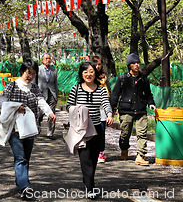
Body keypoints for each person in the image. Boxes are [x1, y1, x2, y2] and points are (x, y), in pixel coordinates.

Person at [0, 59, 56, 199]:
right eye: (27, 72)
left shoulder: (35, 87)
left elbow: (41, 101)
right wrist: (16, 106)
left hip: (30, 128)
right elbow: (2, 101)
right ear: (22, 71)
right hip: (14, 129)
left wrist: (49, 112)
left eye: (33, 73)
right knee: (20, 157)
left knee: (25, 158)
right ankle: (25, 187)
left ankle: (21, 182)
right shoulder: (12, 86)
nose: (29, 76)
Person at [66, 61, 113, 199]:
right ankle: (90, 187)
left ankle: (88, 181)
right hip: (81, 130)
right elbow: (69, 105)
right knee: (85, 159)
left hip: (97, 129)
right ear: (81, 73)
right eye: (85, 71)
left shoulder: (101, 89)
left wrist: (109, 114)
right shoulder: (76, 89)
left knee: (93, 159)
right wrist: (79, 111)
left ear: (95, 73)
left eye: (91, 71)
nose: (88, 74)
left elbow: (105, 103)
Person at [110, 53, 156, 166]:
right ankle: (124, 149)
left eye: (138, 63)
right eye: (134, 63)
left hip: (140, 110)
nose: (137, 65)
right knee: (125, 133)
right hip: (126, 110)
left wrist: (151, 103)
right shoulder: (122, 78)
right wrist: (112, 109)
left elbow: (148, 94)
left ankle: (141, 156)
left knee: (142, 133)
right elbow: (115, 95)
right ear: (129, 65)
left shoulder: (143, 78)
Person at [91, 55, 110, 163]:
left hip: (102, 108)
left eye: (99, 64)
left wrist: (111, 110)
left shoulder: (104, 77)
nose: (97, 66)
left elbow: (109, 92)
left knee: (101, 130)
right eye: (95, 64)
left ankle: (100, 152)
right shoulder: (89, 76)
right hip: (91, 107)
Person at [37, 53, 59, 140]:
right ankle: (37, 129)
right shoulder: (38, 70)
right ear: (42, 60)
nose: (48, 60)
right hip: (41, 95)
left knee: (52, 114)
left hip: (51, 94)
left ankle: (50, 133)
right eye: (46, 58)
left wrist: (56, 96)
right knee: (40, 114)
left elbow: (55, 84)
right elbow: (34, 83)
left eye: (49, 58)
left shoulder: (54, 70)